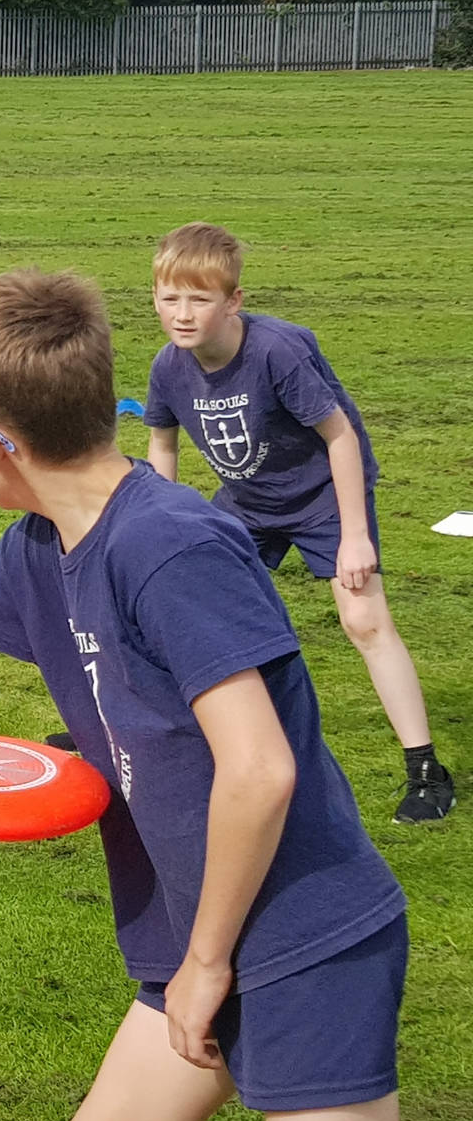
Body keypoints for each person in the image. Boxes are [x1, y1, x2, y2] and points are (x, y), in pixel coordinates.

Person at [0, 269, 407, 1121]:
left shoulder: (170, 546)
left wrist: (206, 966)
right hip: (197, 926)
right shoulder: (41, 539)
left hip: (304, 937)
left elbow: (261, 771)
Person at [143, 223, 452, 824]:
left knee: (364, 619)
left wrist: (355, 536)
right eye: (168, 298)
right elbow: (162, 447)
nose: (182, 315)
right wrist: (165, 525)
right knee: (185, 606)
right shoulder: (168, 366)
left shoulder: (275, 351)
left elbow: (340, 437)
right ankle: (162, 737)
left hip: (323, 500)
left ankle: (426, 770)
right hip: (247, 501)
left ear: (233, 301)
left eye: (199, 300)